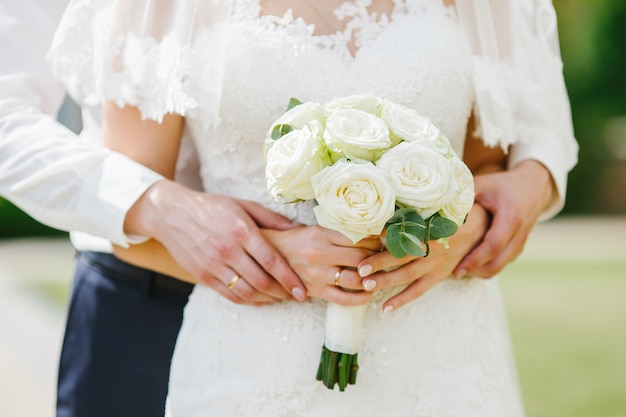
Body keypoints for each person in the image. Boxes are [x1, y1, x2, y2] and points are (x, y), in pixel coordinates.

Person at [0, 0, 577, 416]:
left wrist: (462, 224)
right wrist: (268, 253)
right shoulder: (157, 11)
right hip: (239, 340)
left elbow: (493, 160)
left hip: (443, 350)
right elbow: (129, 186)